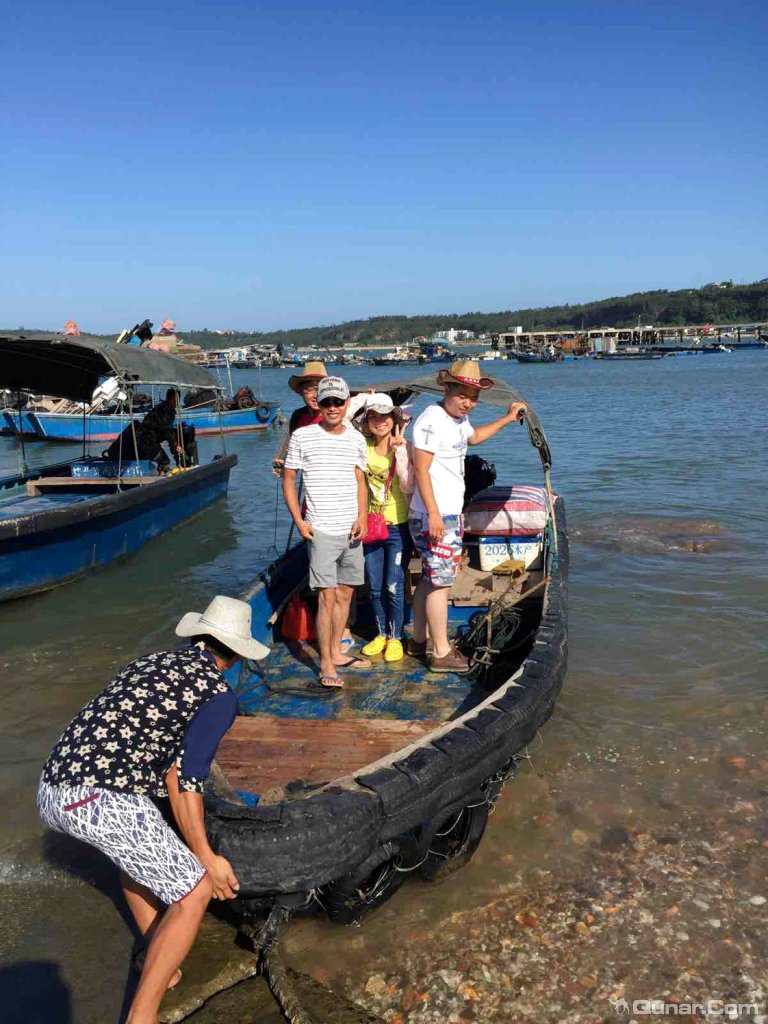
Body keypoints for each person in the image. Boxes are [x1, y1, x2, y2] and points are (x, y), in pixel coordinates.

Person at [37, 596, 270, 1024]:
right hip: (98, 797)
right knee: (194, 891)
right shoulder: (218, 696)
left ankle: (157, 957)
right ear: (236, 655)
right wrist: (206, 857)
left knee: (137, 855)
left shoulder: (151, 662)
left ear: (197, 635)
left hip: (52, 788)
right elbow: (185, 778)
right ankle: (141, 1016)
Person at [409, 360, 527, 673]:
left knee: (430, 579)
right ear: (446, 388)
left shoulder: (457, 421)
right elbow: (420, 468)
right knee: (441, 584)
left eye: (473, 397)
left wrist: (506, 419)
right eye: (462, 395)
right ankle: (442, 653)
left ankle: (419, 641)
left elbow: (472, 439)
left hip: (446, 513)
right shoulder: (432, 420)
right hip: (435, 515)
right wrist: (434, 514)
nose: (468, 403)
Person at [282, 376, 370, 688]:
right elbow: (288, 480)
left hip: (351, 529)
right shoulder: (303, 436)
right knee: (327, 597)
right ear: (318, 404)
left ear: (347, 404)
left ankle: (336, 650)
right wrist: (299, 520)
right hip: (320, 529)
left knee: (346, 592)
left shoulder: (357, 439)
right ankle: (327, 663)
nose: (333, 407)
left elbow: (361, 480)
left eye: (338, 401)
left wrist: (362, 516)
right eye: (327, 402)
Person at [352, 393, 414, 663]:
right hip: (371, 527)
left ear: (394, 420)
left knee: (393, 585)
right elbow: (343, 416)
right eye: (373, 416)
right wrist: (367, 396)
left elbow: (412, 485)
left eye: (385, 416)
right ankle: (381, 634)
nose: (380, 422)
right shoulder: (361, 447)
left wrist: (401, 450)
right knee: (375, 587)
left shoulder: (405, 448)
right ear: (367, 421)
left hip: (398, 527)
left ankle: (396, 637)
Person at [272, 360, 327, 475]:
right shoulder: (298, 417)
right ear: (301, 392)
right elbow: (288, 448)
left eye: (319, 389)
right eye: (309, 389)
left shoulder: (336, 416)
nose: (315, 395)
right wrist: (282, 463)